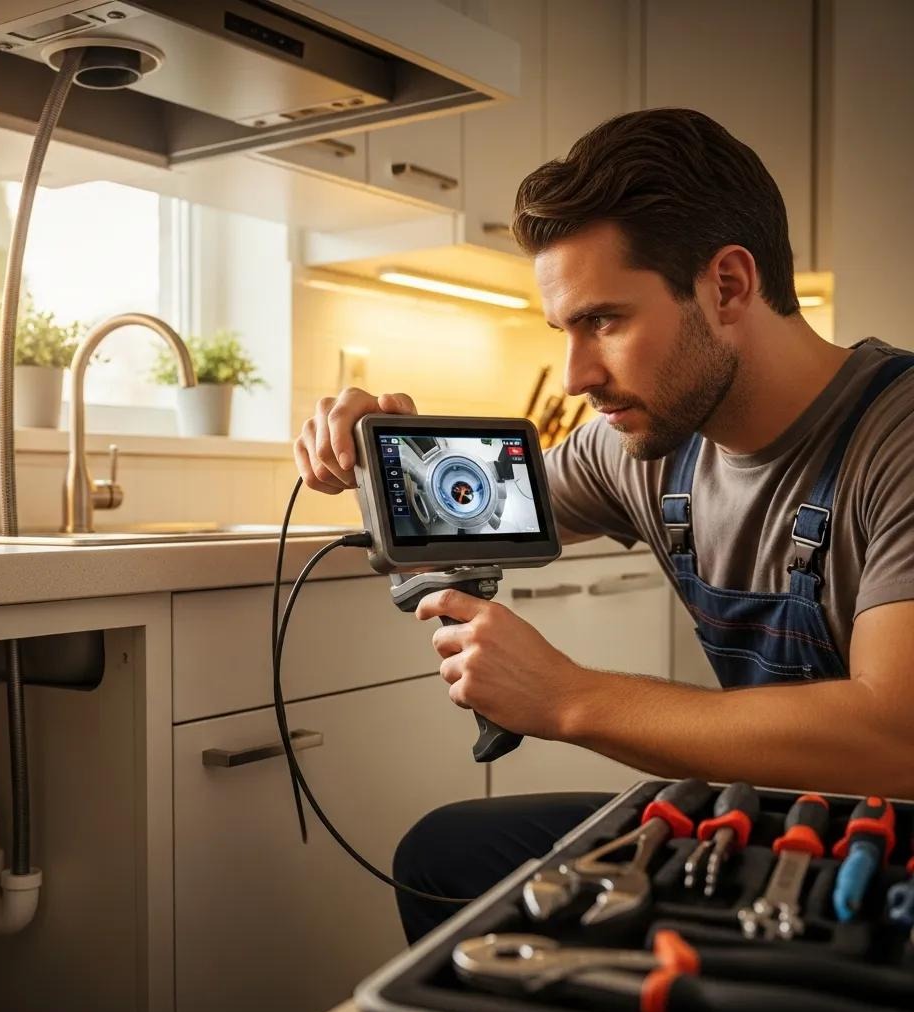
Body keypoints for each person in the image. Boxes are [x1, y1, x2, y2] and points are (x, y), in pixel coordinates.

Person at [292, 108, 914, 942]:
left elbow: (895, 740)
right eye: (567, 330)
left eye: (606, 321)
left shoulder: (897, 437)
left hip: (893, 845)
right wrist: (375, 451)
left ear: (728, 284)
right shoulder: (641, 447)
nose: (579, 374)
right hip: (767, 819)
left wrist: (566, 697)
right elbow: (470, 507)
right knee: (447, 856)